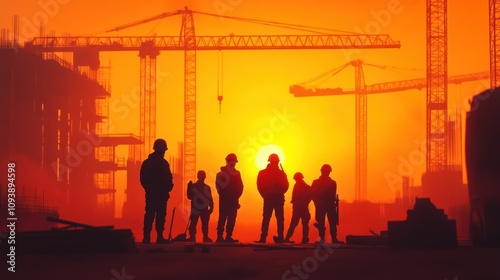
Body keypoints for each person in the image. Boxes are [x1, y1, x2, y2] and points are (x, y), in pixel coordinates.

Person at [140, 138, 174, 244]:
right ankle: (156, 237)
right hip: (158, 194)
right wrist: (166, 187)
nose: (164, 153)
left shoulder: (147, 163)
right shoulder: (163, 163)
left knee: (152, 215)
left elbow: (143, 179)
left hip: (154, 194)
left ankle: (148, 237)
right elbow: (168, 178)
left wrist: (149, 189)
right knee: (158, 215)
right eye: (163, 151)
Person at [256, 153, 289, 243]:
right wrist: (266, 195)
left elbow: (286, 185)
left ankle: (272, 238)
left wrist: (269, 194)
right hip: (271, 198)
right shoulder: (279, 173)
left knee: (276, 218)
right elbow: (260, 185)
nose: (275, 164)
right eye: (274, 162)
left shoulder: (280, 173)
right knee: (269, 218)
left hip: (274, 198)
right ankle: (265, 238)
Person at [215, 153, 244, 242]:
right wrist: (230, 196)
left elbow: (240, 187)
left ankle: (228, 236)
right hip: (225, 200)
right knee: (223, 218)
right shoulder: (221, 174)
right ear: (228, 162)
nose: (233, 164)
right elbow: (219, 187)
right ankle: (220, 236)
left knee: (231, 218)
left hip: (232, 200)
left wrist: (235, 197)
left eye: (234, 162)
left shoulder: (237, 174)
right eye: (232, 162)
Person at [311, 164, 339, 243]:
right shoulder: (331, 183)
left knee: (331, 222)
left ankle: (331, 238)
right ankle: (326, 239)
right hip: (324, 205)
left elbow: (312, 194)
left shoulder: (331, 183)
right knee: (323, 222)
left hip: (327, 205)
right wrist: (317, 202)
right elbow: (312, 194)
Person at [186, 170, 214, 243]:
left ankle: (193, 237)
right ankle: (204, 237)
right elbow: (209, 199)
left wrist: (189, 187)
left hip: (197, 207)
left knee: (195, 223)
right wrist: (211, 207)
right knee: (202, 223)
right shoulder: (206, 187)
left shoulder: (194, 186)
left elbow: (189, 196)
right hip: (202, 208)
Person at [284, 172, 312, 244]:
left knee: (297, 224)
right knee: (302, 224)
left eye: (296, 179)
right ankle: (304, 239)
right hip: (300, 208)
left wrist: (305, 202)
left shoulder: (301, 186)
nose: (296, 180)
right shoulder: (303, 186)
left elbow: (310, 196)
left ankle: (289, 238)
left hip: (300, 208)